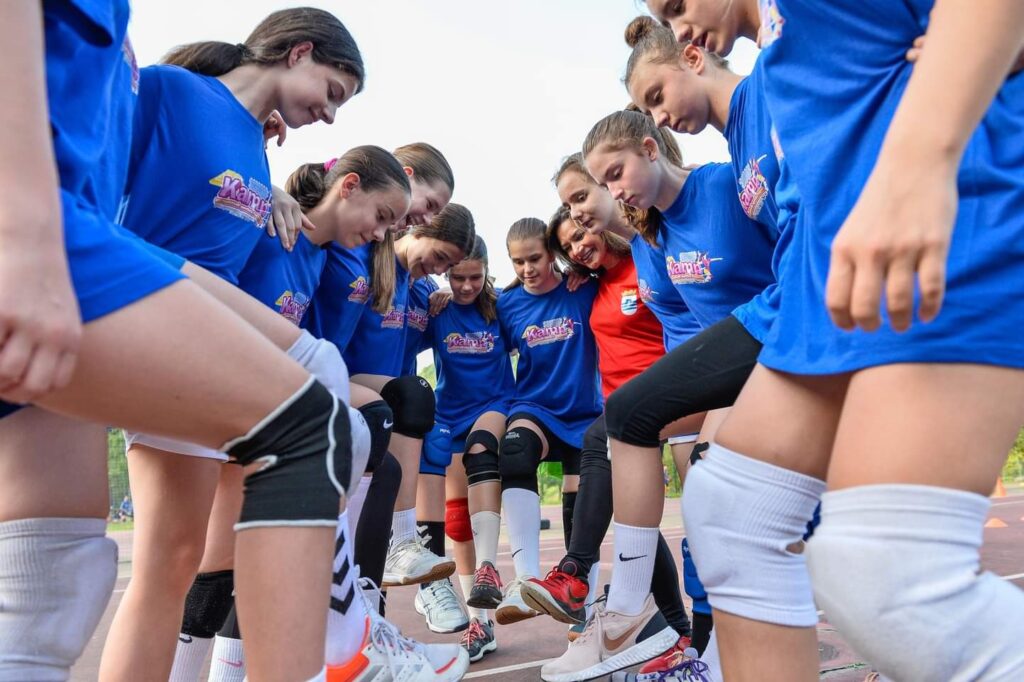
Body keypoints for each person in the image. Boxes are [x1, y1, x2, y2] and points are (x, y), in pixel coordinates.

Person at [0, 3, 363, 680]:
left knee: (67, 582)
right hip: (90, 266)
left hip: (107, 276)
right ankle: (344, 643)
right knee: (316, 414)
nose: (332, 114)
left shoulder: (252, 141)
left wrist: (273, 190)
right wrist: (19, 231)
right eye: (333, 91)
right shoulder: (173, 89)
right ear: (299, 52)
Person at [675, 1, 1024, 681]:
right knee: (734, 513)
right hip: (834, 249)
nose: (678, 27)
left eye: (676, 6)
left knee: (888, 577)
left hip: (943, 206)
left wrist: (921, 161)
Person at [539, 108, 778, 682]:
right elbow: (683, 328)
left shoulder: (719, 186)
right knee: (696, 496)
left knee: (638, 432)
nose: (578, 211)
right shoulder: (652, 237)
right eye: (570, 204)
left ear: (648, 150)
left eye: (587, 192)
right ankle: (694, 643)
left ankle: (629, 609)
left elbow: (787, 250)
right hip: (721, 377)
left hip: (771, 350)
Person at [521, 204, 700, 655]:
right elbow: (539, 296)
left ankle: (575, 572)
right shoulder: (591, 285)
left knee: (596, 439)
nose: (578, 248)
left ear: (600, 225)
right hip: (622, 409)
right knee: (632, 512)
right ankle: (677, 625)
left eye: (581, 234)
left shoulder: (646, 261)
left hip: (663, 393)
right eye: (567, 246)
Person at [495, 218, 603, 626]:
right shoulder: (507, 305)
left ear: (552, 255)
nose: (527, 269)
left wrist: (582, 270)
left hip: (585, 413)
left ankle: (581, 605)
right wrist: (446, 295)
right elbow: (473, 318)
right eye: (518, 262)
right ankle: (525, 581)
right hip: (535, 409)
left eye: (535, 259)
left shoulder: (583, 290)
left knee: (583, 502)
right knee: (515, 450)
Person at [420, 236, 514, 661]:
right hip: (450, 414)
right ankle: (481, 623)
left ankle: (490, 568)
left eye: (475, 277)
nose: (466, 286)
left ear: (487, 272)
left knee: (481, 449)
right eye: (458, 277)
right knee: (457, 522)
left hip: (495, 406)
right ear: (447, 272)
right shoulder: (439, 309)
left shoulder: (501, 307)